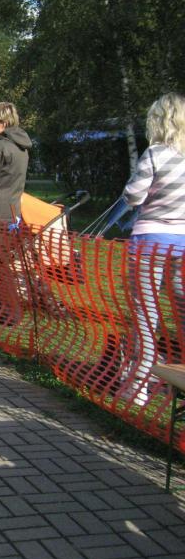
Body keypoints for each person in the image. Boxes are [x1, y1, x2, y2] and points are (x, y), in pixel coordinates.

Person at [119, 92, 185, 404]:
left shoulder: (155, 154)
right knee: (181, 310)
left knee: (145, 315)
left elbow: (133, 196)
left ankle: (138, 387)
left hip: (148, 243)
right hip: (181, 245)